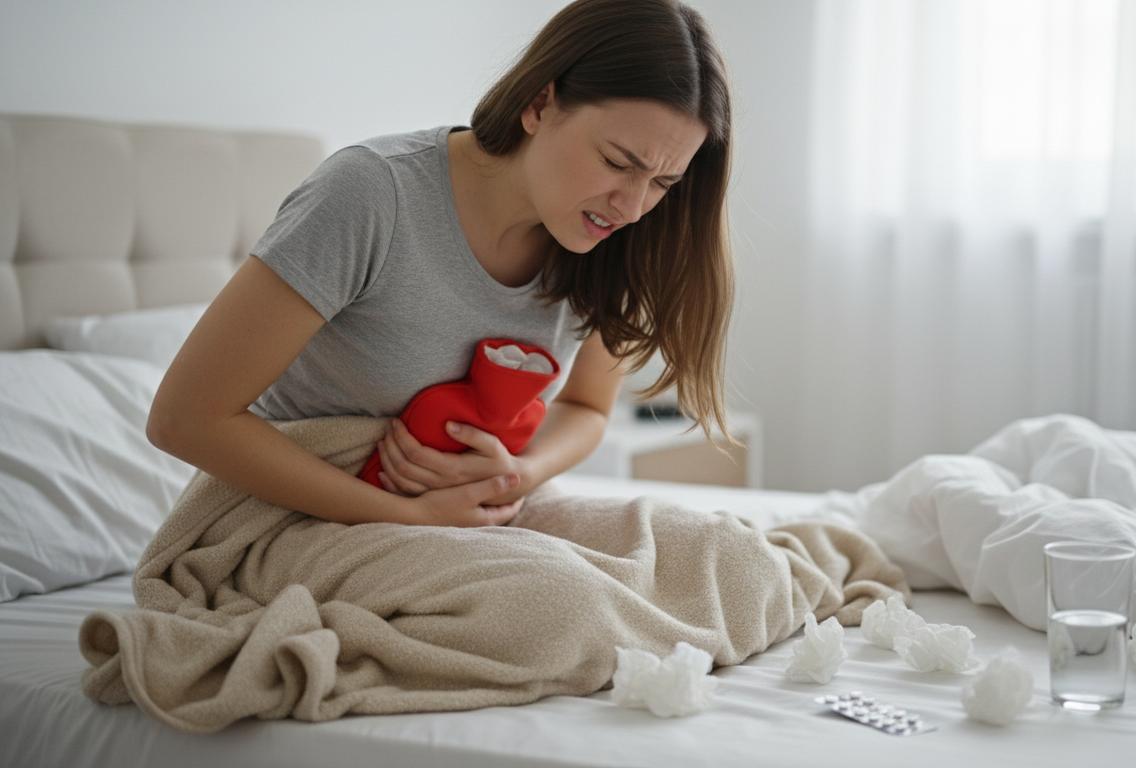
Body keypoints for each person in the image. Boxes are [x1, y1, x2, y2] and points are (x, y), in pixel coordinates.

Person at [145, 0, 736, 529]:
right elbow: (185, 420)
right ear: (539, 104)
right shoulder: (372, 194)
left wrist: (515, 476)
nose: (633, 206)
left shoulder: (614, 241)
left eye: (663, 182)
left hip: (464, 511)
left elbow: (586, 407)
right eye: (616, 161)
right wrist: (409, 515)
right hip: (300, 516)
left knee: (724, 555)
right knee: (556, 610)